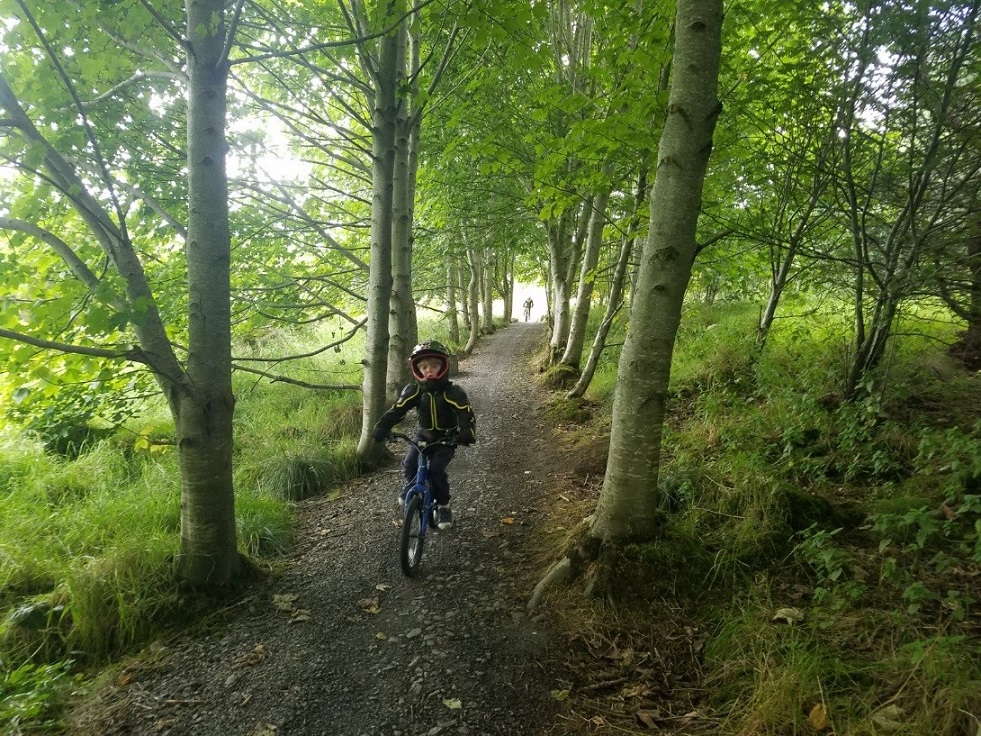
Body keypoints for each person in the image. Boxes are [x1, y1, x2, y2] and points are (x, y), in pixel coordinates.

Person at [370, 340, 476, 530]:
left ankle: (443, 506)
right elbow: (397, 410)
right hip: (423, 435)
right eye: (424, 367)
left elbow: (465, 415)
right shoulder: (415, 390)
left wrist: (466, 433)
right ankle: (411, 486)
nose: (429, 370)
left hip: (447, 437)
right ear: (417, 369)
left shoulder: (452, 392)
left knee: (436, 470)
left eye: (434, 366)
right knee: (410, 464)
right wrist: (382, 427)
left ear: (443, 366)